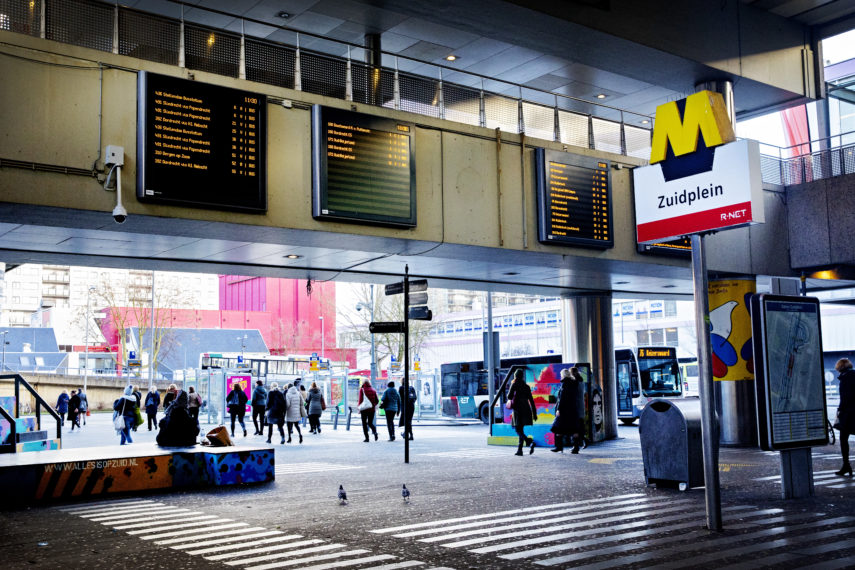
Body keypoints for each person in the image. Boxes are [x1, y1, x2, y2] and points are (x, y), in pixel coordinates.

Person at [551, 367, 584, 454]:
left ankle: (559, 447)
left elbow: (562, 398)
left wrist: (559, 409)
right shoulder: (574, 383)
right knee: (574, 428)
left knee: (558, 427)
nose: (560, 376)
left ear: (563, 375)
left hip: (565, 410)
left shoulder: (565, 384)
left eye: (561, 375)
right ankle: (576, 447)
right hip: (573, 409)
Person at [507, 369, 537, 456]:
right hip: (526, 409)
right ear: (522, 376)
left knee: (517, 429)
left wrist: (511, 389)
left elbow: (509, 396)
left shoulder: (514, 384)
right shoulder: (526, 386)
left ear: (516, 376)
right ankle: (520, 450)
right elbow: (531, 400)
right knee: (521, 429)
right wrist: (534, 413)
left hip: (517, 410)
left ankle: (529, 441)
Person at [834, 358, 855, 477]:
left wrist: (840, 411)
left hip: (848, 413)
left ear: (840, 367)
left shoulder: (845, 378)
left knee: (843, 439)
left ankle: (846, 465)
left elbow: (845, 397)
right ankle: (846, 466)